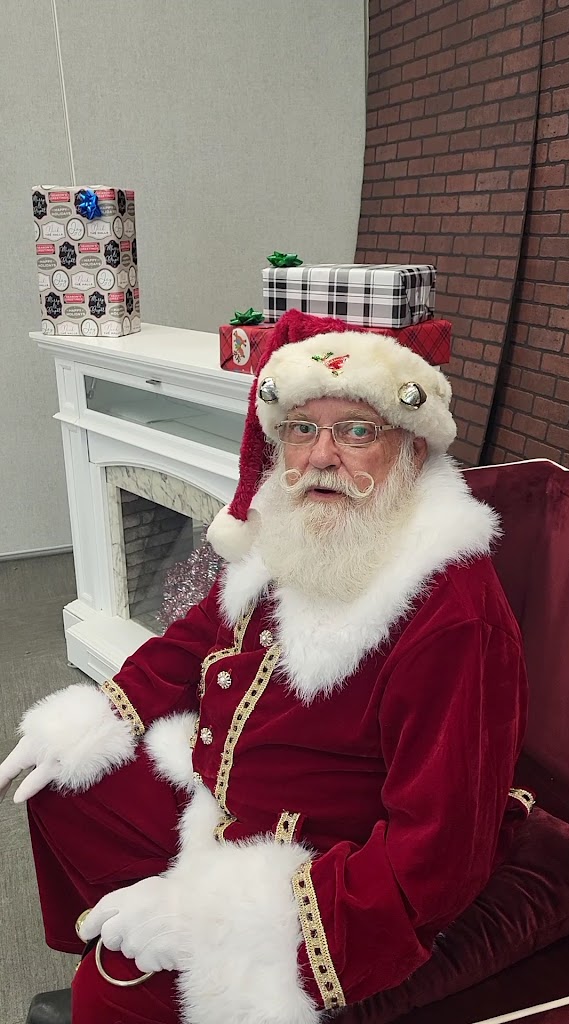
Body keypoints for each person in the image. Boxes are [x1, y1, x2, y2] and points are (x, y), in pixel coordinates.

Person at [1, 310, 532, 1024]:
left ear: (411, 448)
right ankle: (126, 926)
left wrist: (213, 919)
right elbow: (199, 634)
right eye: (302, 429)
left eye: (355, 430)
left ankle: (131, 970)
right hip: (228, 793)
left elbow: (436, 858)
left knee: (112, 990)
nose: (320, 455)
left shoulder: (449, 607)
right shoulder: (305, 526)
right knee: (64, 792)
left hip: (324, 860)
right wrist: (108, 707)